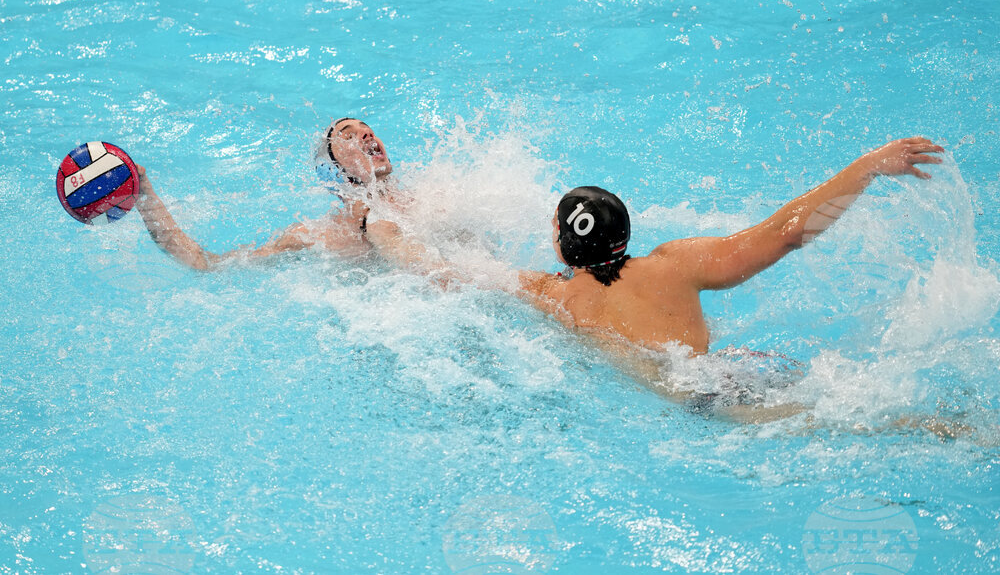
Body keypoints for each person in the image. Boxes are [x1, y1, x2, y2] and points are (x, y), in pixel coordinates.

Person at [366, 137, 957, 429]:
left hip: (702, 401)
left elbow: (442, 271)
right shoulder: (674, 263)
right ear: (625, 233)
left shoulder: (554, 295)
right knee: (875, 408)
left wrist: (378, 223)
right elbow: (788, 231)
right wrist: (866, 167)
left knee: (870, 425)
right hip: (729, 369)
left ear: (561, 244)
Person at [134, 117, 396, 270]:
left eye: (364, 128)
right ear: (337, 173)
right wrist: (145, 195)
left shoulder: (430, 196)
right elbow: (205, 263)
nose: (366, 132)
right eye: (347, 137)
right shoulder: (318, 237)